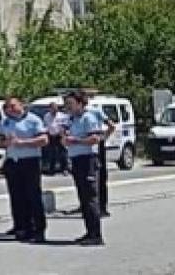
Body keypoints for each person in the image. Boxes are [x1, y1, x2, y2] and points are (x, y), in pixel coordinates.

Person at [0, 96, 48, 243]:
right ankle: (22, 227)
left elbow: (44, 140)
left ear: (21, 105)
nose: (10, 109)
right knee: (17, 197)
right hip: (13, 162)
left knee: (33, 196)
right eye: (7, 107)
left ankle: (38, 229)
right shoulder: (6, 122)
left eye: (12, 106)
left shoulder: (33, 120)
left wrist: (23, 143)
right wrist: (6, 142)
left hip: (30, 161)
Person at [63, 91, 105, 246]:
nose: (68, 107)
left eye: (71, 104)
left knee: (90, 198)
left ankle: (96, 235)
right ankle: (89, 232)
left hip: (88, 160)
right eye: (67, 104)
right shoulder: (72, 120)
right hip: (77, 160)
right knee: (83, 198)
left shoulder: (88, 118)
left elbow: (95, 138)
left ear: (80, 104)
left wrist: (77, 140)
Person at [84, 95, 116, 217]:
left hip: (96, 142)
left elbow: (111, 125)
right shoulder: (74, 114)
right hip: (85, 144)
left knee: (100, 176)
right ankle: (89, 206)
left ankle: (102, 206)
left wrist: (103, 138)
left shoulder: (95, 110)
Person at [41, 102, 68, 175]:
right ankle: (51, 169)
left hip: (60, 135)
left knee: (62, 153)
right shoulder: (46, 116)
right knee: (51, 153)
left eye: (55, 108)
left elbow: (65, 126)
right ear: (49, 109)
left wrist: (62, 133)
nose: (54, 110)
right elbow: (46, 125)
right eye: (52, 108)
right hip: (51, 136)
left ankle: (64, 169)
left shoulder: (62, 116)